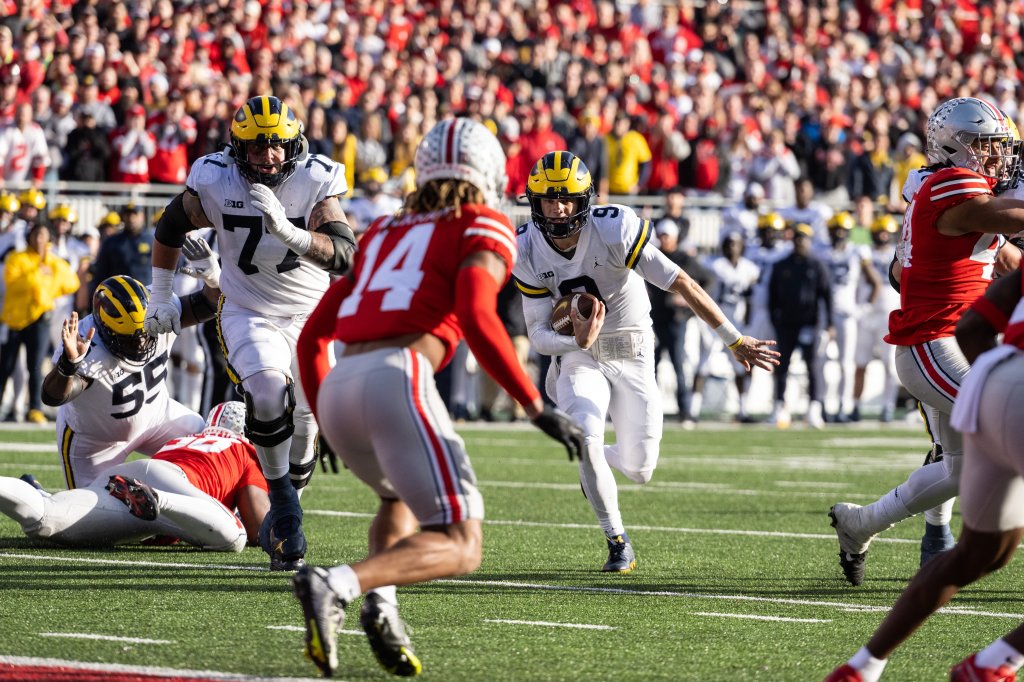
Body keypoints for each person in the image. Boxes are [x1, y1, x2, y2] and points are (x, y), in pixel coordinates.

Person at [290, 118, 585, 678]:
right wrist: (534, 406)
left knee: (396, 499)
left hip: (338, 386)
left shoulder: (379, 232)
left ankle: (382, 605)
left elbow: (311, 338)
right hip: (396, 377)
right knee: (462, 544)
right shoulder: (481, 222)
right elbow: (476, 315)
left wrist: (325, 420)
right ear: (489, 175)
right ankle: (339, 583)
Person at [514, 151, 778, 573]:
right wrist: (576, 341)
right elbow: (540, 336)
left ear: (584, 198)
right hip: (579, 357)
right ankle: (617, 540)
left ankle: (594, 459)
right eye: (549, 199)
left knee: (640, 469)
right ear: (534, 202)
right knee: (585, 433)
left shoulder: (613, 228)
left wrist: (734, 339)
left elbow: (682, 282)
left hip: (633, 348)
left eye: (566, 198)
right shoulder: (526, 246)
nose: (558, 207)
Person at [144, 95, 357, 572]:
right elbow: (171, 223)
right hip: (247, 307)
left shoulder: (313, 180)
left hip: (309, 314)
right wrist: (161, 295)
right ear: (237, 149)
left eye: (278, 146)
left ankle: (288, 492)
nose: (269, 156)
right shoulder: (215, 177)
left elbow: (345, 256)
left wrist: (292, 233)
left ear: (294, 144)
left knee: (306, 423)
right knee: (264, 392)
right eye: (257, 148)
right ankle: (282, 504)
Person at [829, 97, 1024, 588]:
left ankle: (859, 524)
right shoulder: (952, 185)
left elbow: (1008, 262)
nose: (997, 155)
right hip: (934, 344)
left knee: (958, 470)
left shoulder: (953, 190)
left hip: (948, 344)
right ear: (953, 146)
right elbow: (1006, 219)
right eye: (985, 145)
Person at [824, 267, 1024, 681]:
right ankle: (997, 660)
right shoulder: (972, 212)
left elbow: (972, 327)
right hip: (934, 345)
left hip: (991, 374)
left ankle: (862, 666)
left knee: (978, 551)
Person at [0, 402, 269, 551]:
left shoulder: (190, 439)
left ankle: (38, 495)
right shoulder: (244, 451)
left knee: (47, 520)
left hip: (130, 477)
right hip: (166, 486)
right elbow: (258, 529)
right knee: (235, 536)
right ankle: (157, 500)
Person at [42, 275, 218, 488]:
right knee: (96, 518)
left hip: (157, 418)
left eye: (145, 334)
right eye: (131, 339)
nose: (141, 343)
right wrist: (68, 365)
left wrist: (213, 279)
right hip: (95, 442)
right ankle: (36, 491)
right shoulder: (87, 343)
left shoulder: (159, 310)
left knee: (209, 447)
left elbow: (209, 304)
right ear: (106, 331)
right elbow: (52, 396)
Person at [0, 222, 79, 425]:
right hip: (15, 319)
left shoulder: (54, 262)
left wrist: (48, 287)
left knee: (35, 366)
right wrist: (38, 274)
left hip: (40, 318)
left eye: (43, 236)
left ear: (49, 239)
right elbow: (13, 284)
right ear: (29, 238)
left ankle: (34, 408)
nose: (39, 240)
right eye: (36, 235)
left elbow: (71, 283)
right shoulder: (17, 258)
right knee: (5, 365)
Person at [646, 219, 714, 426]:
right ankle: (649, 410)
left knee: (678, 364)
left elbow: (708, 279)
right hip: (655, 318)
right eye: (662, 235)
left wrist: (689, 302)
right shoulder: (652, 256)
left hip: (676, 319)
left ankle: (685, 410)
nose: (664, 239)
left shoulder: (684, 258)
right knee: (650, 366)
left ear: (675, 237)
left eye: (667, 235)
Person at [768, 223, 833, 429]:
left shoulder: (816, 265)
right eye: (797, 238)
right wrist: (775, 320)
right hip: (786, 325)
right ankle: (779, 406)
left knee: (812, 365)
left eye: (803, 238)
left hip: (808, 324)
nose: (800, 242)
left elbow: (827, 295)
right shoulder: (782, 265)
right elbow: (772, 296)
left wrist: (829, 323)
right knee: (782, 366)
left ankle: (814, 407)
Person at [818, 211, 881, 422]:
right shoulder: (821, 252)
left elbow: (876, 283)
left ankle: (844, 407)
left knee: (846, 362)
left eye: (842, 230)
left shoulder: (857, 252)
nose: (839, 234)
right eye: (835, 229)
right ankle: (823, 405)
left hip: (847, 313)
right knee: (821, 361)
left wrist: (863, 309)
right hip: (823, 313)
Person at [851, 213, 901, 422]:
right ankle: (854, 406)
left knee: (890, 365)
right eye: (879, 232)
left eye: (885, 232)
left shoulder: (897, 253)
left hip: (889, 315)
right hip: (867, 314)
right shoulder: (864, 252)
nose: (882, 236)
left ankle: (887, 407)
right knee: (860, 362)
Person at [90, 202, 153, 289]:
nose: (131, 219)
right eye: (128, 215)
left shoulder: (152, 241)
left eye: (135, 214)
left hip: (147, 294)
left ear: (142, 216)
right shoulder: (112, 242)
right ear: (123, 217)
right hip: (119, 297)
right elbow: (101, 272)